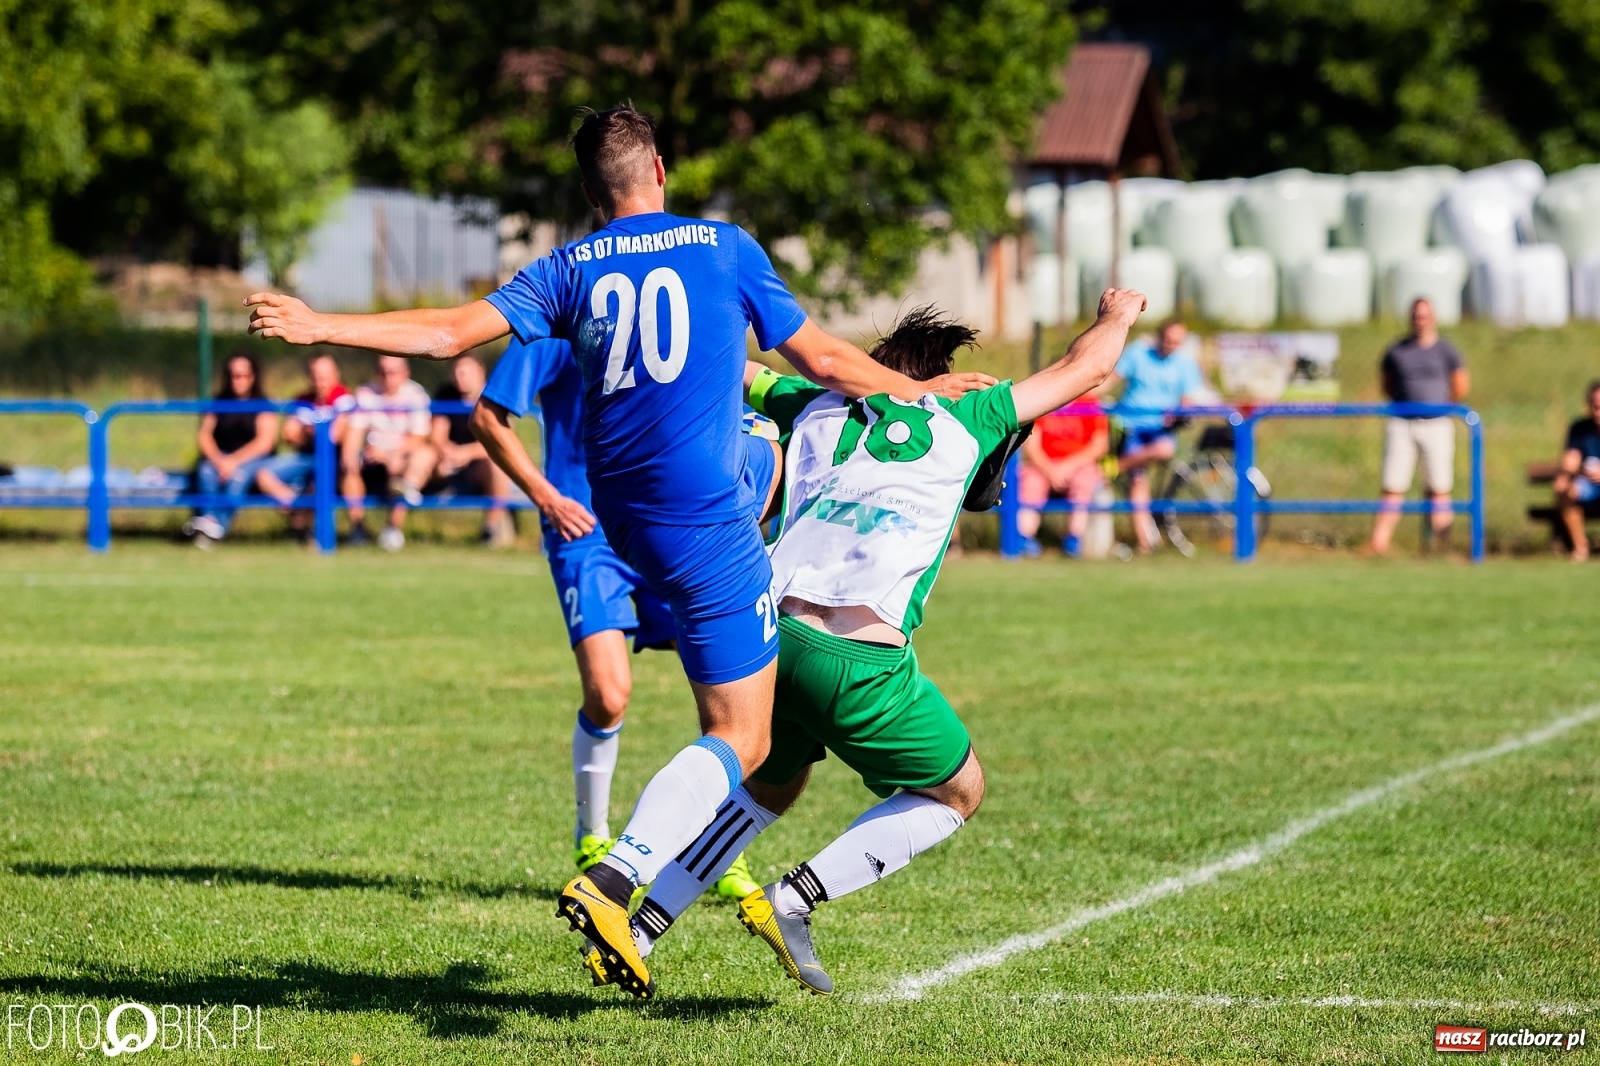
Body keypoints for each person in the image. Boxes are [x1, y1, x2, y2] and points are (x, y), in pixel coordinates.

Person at [244, 103, 990, 998]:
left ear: (592, 194)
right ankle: (616, 876)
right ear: (662, 171)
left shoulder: (570, 266)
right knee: (742, 736)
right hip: (709, 523)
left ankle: (645, 906)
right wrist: (923, 397)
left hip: (620, 516)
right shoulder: (722, 246)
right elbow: (828, 360)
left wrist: (322, 324)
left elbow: (445, 336)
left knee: (755, 740)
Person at [580, 291, 1147, 997]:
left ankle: (640, 929)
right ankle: (799, 897)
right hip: (859, 657)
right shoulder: (969, 412)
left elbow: (733, 370)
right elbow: (1085, 368)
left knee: (769, 786)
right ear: (938, 376)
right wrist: (1118, 313)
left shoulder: (810, 399)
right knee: (958, 792)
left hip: (768, 635)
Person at [470, 337, 761, 899]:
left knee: (733, 700)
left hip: (668, 526)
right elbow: (488, 416)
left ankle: (717, 850)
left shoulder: (667, 316)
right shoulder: (553, 323)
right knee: (609, 694)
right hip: (586, 535)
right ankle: (592, 835)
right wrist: (546, 496)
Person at [1367, 298, 1469, 555]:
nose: (1420, 320)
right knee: (1393, 486)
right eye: (1416, 315)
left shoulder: (1447, 351)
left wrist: (1439, 407)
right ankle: (1378, 544)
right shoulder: (1396, 351)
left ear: (1433, 318)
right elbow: (1386, 384)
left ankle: (1442, 547)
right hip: (1403, 424)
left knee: (1439, 488)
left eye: (1425, 315)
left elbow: (1460, 385)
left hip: (1437, 425)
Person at [1104, 318, 1205, 552]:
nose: (1171, 345)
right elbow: (1110, 380)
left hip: (1160, 430)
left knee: (1165, 450)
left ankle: (1116, 466)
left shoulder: (1185, 364)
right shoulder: (1138, 353)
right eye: (1168, 340)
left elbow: (1187, 399)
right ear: (1159, 337)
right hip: (1130, 426)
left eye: (1177, 342)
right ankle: (1145, 544)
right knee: (1138, 481)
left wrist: (1180, 414)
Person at [255, 354, 356, 540]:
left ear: (336, 375)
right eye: (315, 376)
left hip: (333, 460)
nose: (319, 382)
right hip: (305, 458)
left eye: (324, 376)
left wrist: (308, 430)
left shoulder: (344, 399)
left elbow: (334, 438)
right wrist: (314, 432)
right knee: (263, 474)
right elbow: (289, 435)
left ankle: (312, 532)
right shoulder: (302, 400)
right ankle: (298, 510)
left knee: (319, 483)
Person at [184, 352, 279, 548]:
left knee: (239, 476)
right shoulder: (218, 402)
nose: (238, 380)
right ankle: (209, 522)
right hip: (220, 460)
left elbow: (264, 443)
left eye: (243, 375)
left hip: (252, 461)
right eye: (233, 375)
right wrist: (219, 460)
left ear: (253, 376)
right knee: (206, 472)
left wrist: (233, 461)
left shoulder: (263, 404)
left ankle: (215, 527)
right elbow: (204, 435)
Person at [344, 356, 436, 551]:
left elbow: (419, 438)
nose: (387, 377)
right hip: (371, 458)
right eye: (383, 372)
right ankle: (358, 529)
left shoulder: (417, 395)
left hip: (399, 457)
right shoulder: (365, 393)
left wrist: (389, 454)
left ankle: (392, 529)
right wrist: (350, 455)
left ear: (405, 373)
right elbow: (354, 433)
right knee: (349, 467)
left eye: (392, 372)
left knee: (401, 469)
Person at [426, 354, 515, 547]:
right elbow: (437, 436)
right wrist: (448, 451)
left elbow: (503, 443)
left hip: (481, 465)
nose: (460, 376)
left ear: (480, 373)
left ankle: (490, 530)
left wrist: (467, 453)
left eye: (465, 372)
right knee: (423, 458)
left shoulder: (496, 398)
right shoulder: (445, 394)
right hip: (448, 463)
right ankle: (393, 530)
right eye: (456, 372)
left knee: (498, 466)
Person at [1016, 383, 1109, 558]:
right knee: (1030, 482)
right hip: (1044, 466)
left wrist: (1067, 466)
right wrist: (1050, 470)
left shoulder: (1089, 403)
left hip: (1078, 465)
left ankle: (1073, 539)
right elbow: (1032, 447)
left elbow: (1099, 446)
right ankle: (1024, 538)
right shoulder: (1040, 403)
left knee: (1083, 481)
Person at [1553, 379, 1600, 561]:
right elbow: (1570, 461)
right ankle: (1581, 547)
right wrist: (1581, 471)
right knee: (1564, 489)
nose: (1598, 412)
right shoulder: (1579, 429)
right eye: (1595, 406)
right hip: (1588, 484)